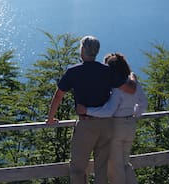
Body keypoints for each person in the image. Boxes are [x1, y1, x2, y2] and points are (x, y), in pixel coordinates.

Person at [46, 36, 136, 184]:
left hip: (86, 125)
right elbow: (128, 89)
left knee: (78, 169)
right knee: (101, 168)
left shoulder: (73, 72)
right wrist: (133, 78)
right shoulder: (107, 71)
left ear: (82, 50)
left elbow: (58, 96)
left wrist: (50, 118)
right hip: (107, 125)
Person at [76, 53, 148, 184]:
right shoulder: (133, 83)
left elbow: (108, 111)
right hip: (130, 125)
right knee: (125, 163)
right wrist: (134, 115)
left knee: (116, 168)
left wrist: (86, 110)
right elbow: (143, 103)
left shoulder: (116, 88)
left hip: (116, 126)